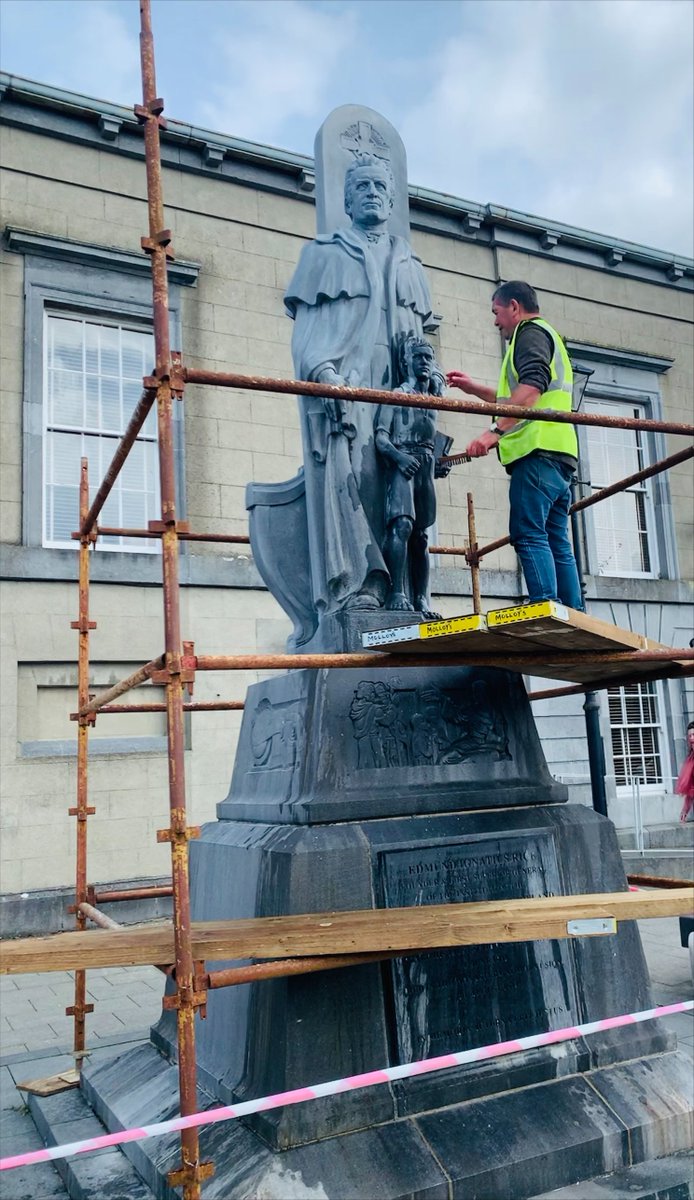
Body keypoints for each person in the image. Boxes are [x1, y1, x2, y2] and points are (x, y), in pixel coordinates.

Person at [284, 152, 433, 614]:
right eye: (362, 187)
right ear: (347, 200)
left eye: (379, 187)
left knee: (406, 499)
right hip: (350, 385)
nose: (372, 193)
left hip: (399, 390)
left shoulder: (411, 263)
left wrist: (427, 378)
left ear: (391, 200)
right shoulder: (324, 254)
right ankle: (363, 583)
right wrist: (323, 373)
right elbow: (307, 337)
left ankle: (407, 593)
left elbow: (420, 340)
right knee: (358, 481)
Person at [446, 280, 584, 611]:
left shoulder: (530, 333)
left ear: (514, 307)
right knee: (555, 539)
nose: (496, 322)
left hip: (536, 453)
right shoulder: (547, 334)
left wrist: (493, 432)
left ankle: (545, 607)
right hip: (559, 454)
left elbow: (532, 390)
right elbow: (516, 397)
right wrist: (474, 389)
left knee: (527, 533)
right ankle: (572, 611)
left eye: (496, 313)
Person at [374, 336, 448, 617]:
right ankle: (397, 591)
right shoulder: (397, 395)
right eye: (419, 357)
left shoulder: (432, 400)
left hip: (426, 467)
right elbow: (381, 438)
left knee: (421, 537)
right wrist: (398, 457)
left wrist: (439, 462)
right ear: (406, 361)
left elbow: (432, 438)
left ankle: (421, 599)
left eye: (429, 358)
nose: (425, 363)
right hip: (403, 463)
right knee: (402, 526)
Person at [675, 721, 694, 822]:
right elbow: (691, 791)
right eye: (689, 736)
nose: (691, 738)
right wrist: (684, 811)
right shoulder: (690, 760)